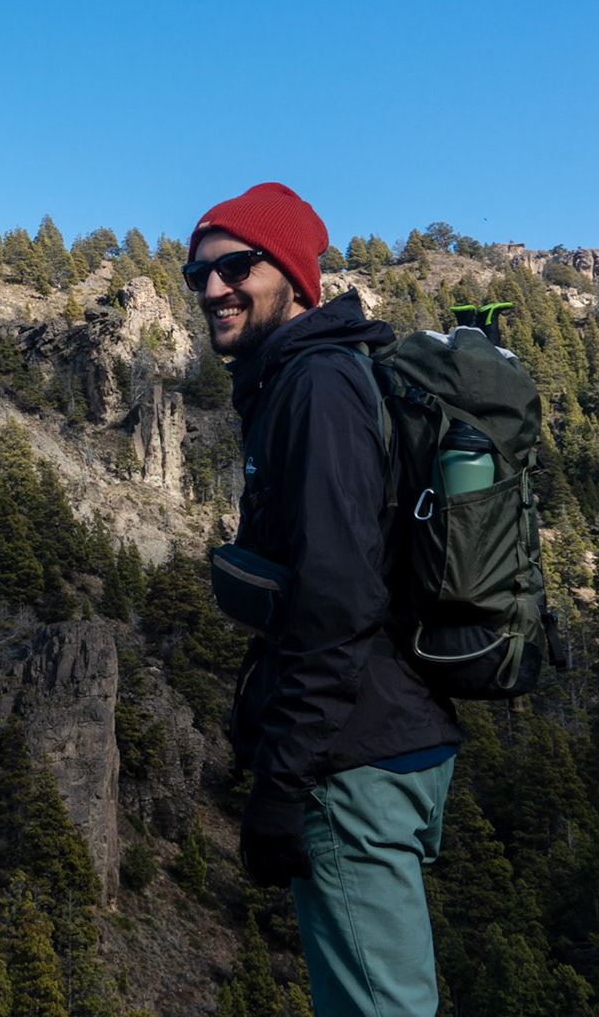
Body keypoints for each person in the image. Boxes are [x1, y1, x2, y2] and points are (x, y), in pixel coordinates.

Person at [186, 183, 461, 1017]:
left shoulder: (317, 386)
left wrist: (284, 780)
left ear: (295, 277)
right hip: (374, 741)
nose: (213, 288)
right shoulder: (303, 380)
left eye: (237, 266)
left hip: (351, 762)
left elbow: (337, 600)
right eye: (198, 274)